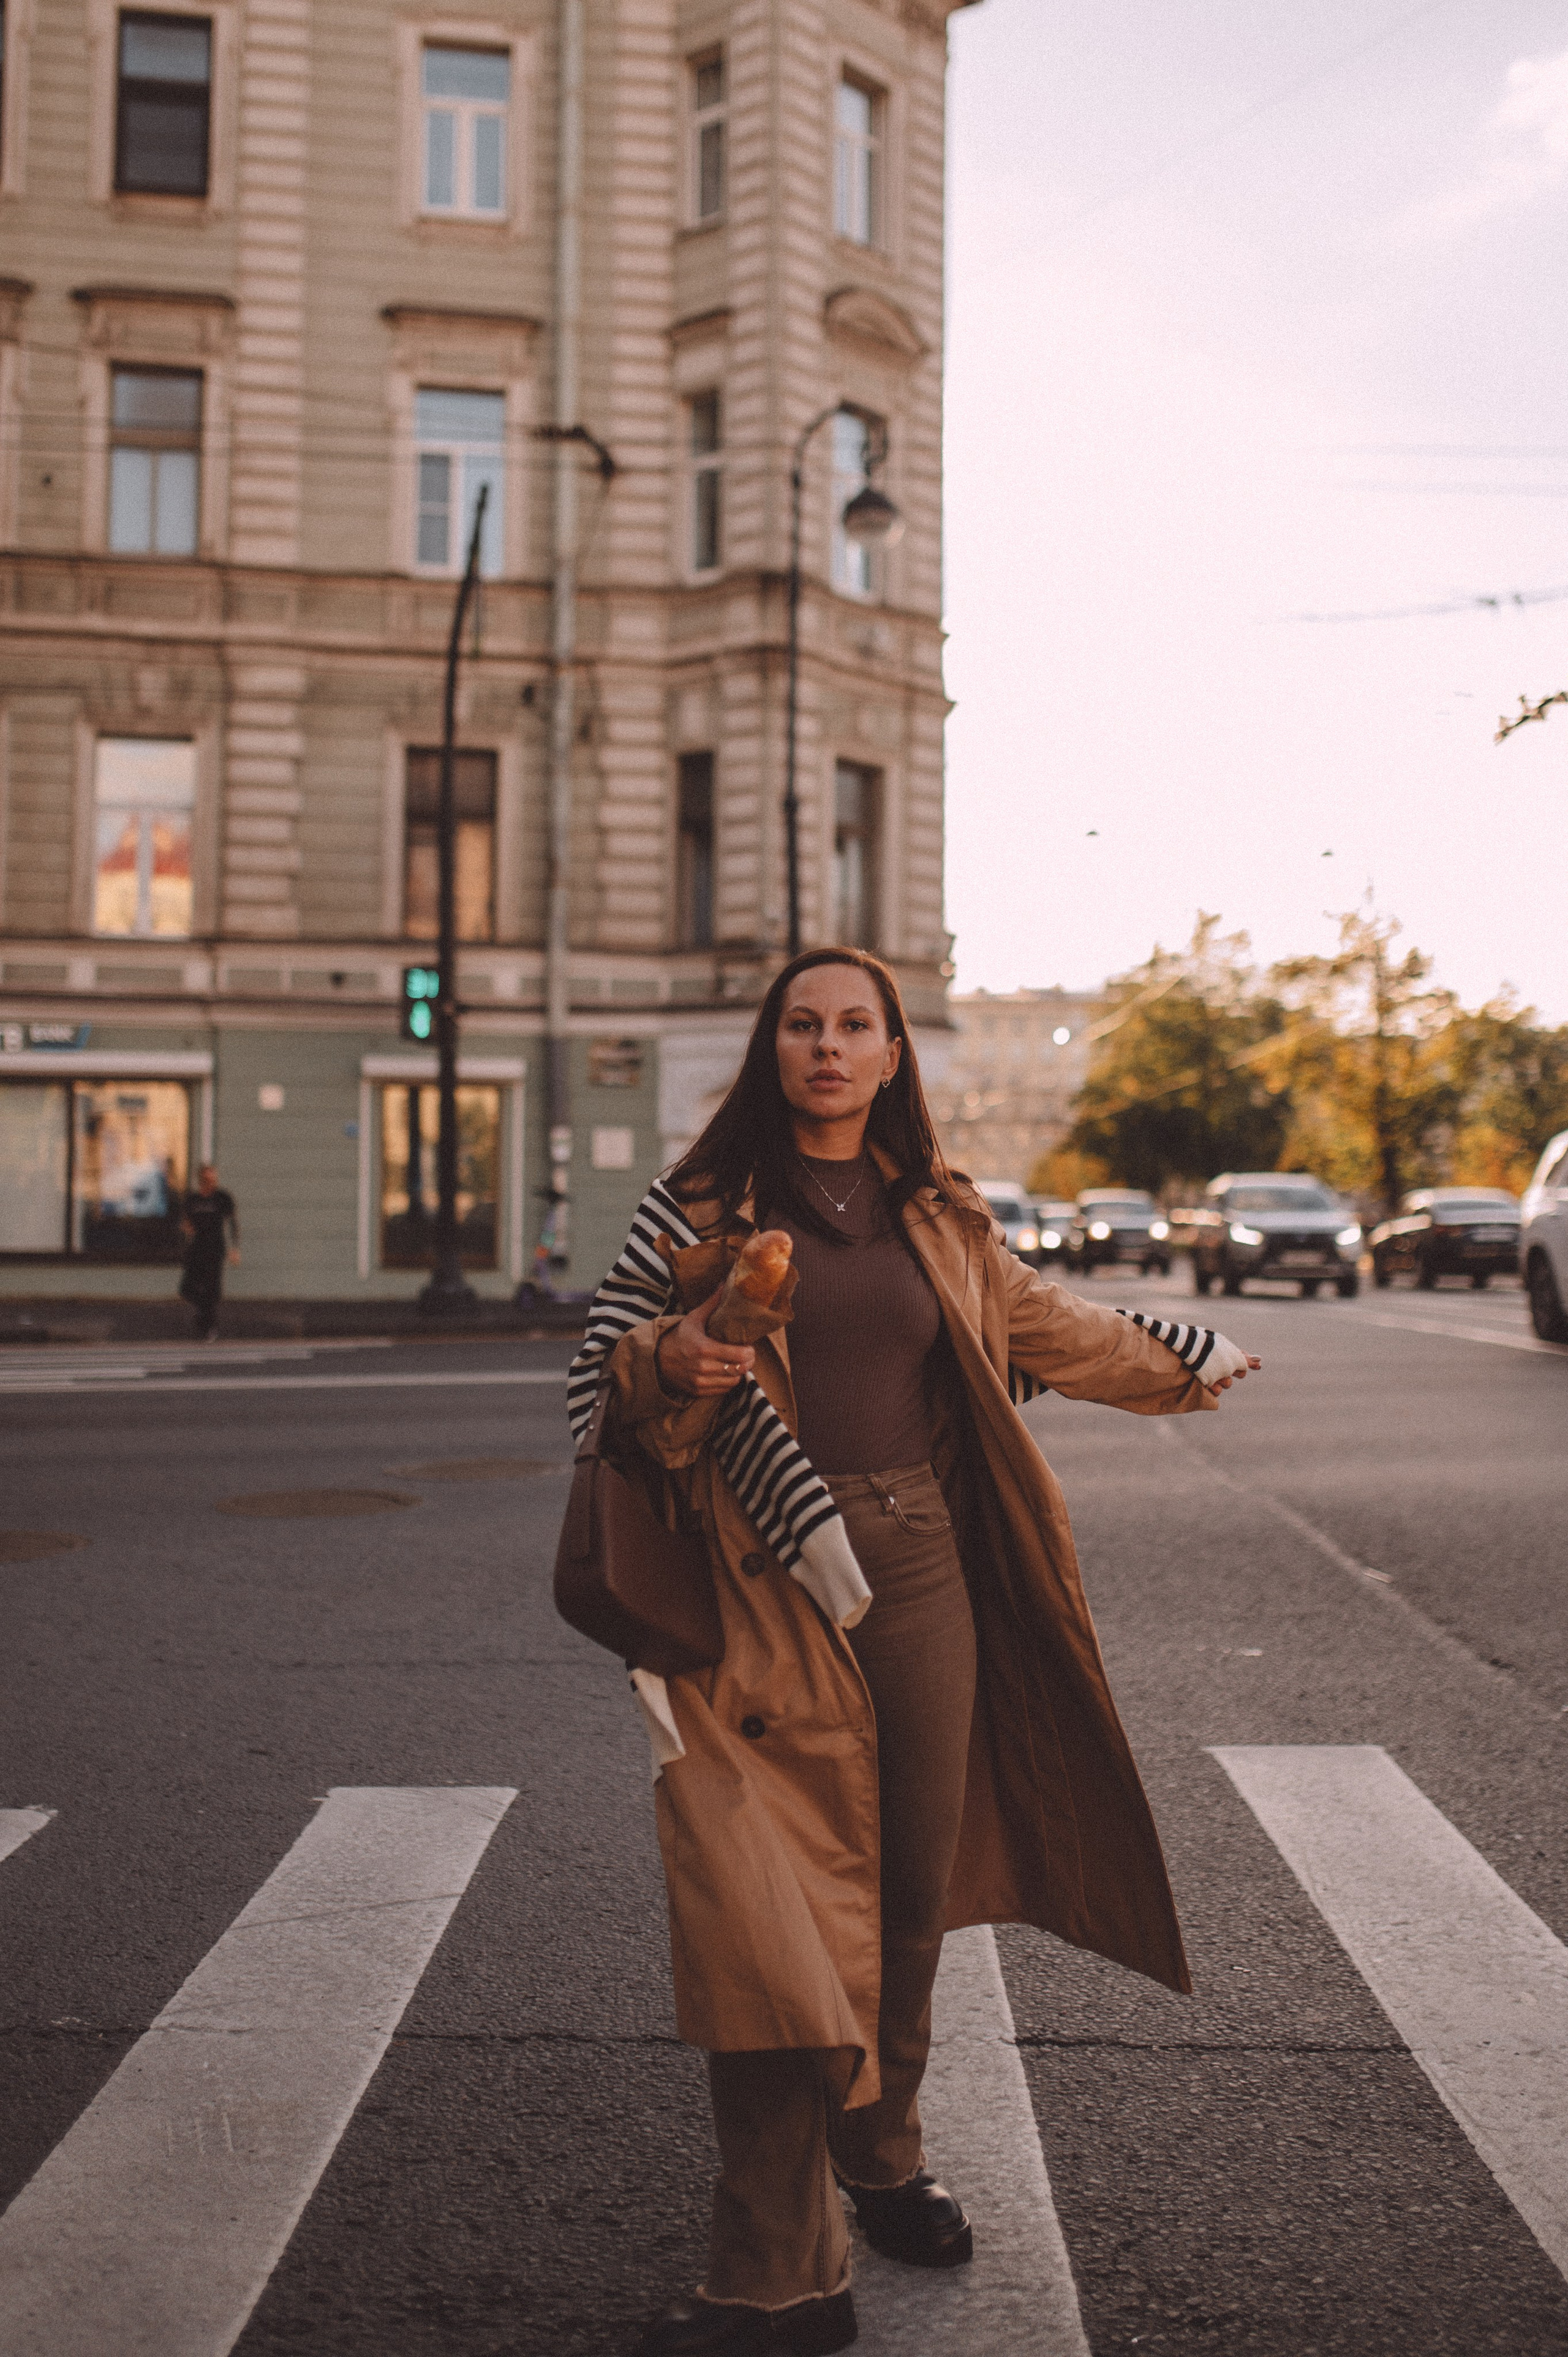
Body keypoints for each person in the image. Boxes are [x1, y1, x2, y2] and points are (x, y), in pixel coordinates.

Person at [566, 948, 1262, 2357]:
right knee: (762, 1920)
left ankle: (881, 2157)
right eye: (802, 1024)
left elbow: (1048, 1324)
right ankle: (774, 2277)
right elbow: (596, 1370)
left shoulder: (936, 1212)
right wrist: (678, 1353)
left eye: (853, 1026)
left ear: (892, 1054)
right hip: (757, 1582)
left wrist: (1184, 1355)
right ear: (773, 1048)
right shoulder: (698, 1205)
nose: (826, 1046)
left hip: (920, 1564)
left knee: (901, 1891)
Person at [178, 1163, 239, 1341]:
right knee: (188, 1289)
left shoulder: (222, 1198)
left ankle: (208, 1327)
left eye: (213, 1178)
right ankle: (202, 1317)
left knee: (212, 1291)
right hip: (197, 1248)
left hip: (215, 1249)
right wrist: (186, 1228)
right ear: (201, 1179)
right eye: (207, 1178)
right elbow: (184, 1221)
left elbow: (233, 1222)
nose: (211, 1182)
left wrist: (235, 1249)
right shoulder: (193, 1199)